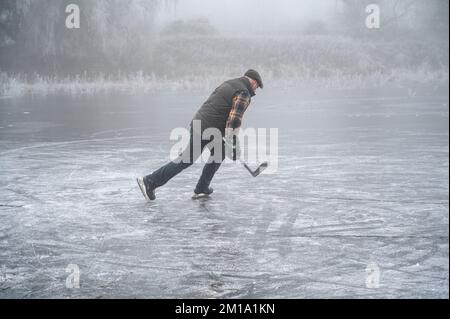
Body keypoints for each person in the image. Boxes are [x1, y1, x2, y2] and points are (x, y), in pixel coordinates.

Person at [137, 69, 263, 200]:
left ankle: (202, 187)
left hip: (201, 122)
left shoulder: (229, 83)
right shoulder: (243, 93)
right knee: (186, 159)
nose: (256, 89)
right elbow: (234, 121)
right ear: (254, 82)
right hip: (208, 127)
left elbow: (217, 107)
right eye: (257, 86)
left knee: (218, 154)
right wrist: (234, 144)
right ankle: (150, 181)